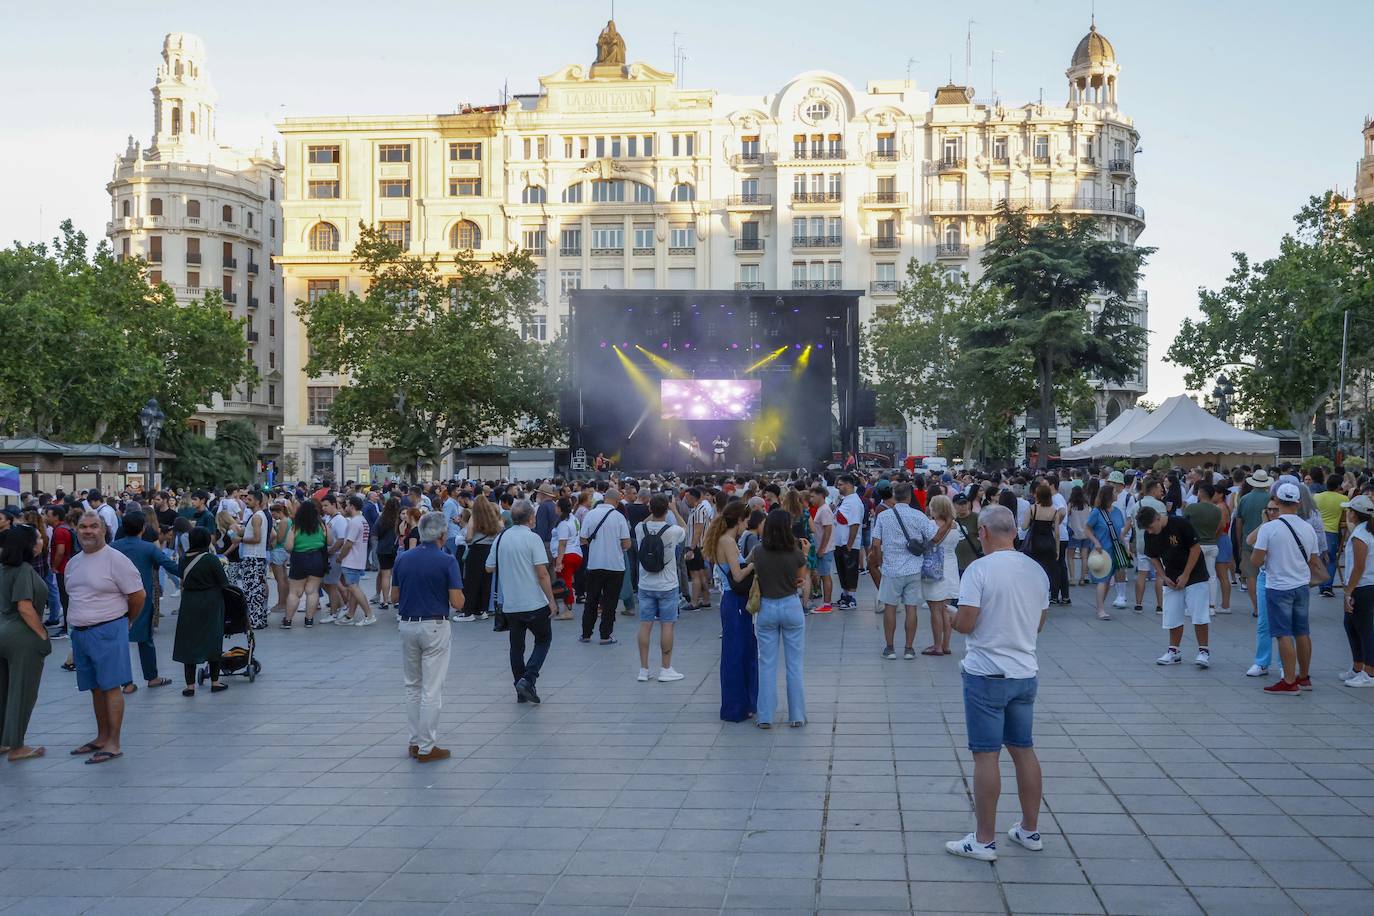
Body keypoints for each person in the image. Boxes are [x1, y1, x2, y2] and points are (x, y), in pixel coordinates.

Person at [945, 505, 1048, 862]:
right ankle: (1029, 829)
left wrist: (951, 616)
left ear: (984, 532)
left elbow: (967, 623)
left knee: (986, 755)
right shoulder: (1036, 570)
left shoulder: (979, 570)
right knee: (1023, 750)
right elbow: (1039, 623)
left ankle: (984, 840)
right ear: (1015, 532)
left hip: (986, 674)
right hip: (1024, 671)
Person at [66, 511, 146, 764]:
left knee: (111, 687)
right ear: (76, 530)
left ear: (104, 530)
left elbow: (138, 596)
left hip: (109, 629)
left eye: (94, 526)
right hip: (80, 633)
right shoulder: (73, 563)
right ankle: (101, 737)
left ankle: (114, 742)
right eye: (83, 527)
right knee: (95, 688)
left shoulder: (116, 560)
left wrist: (124, 621)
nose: (88, 531)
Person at [391, 511, 463, 762]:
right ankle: (427, 745)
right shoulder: (447, 561)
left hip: (407, 623)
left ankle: (414, 740)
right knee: (431, 688)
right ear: (443, 535)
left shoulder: (403, 558)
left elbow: (393, 597)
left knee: (412, 685)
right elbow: (457, 601)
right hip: (434, 624)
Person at [1252, 481, 1323, 695]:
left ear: (1278, 502)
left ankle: (1289, 681)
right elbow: (1313, 559)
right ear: (1298, 502)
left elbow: (1256, 560)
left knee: (1283, 634)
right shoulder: (1307, 527)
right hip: (1301, 585)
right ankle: (1304, 677)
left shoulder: (1269, 528)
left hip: (1278, 586)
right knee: (1302, 632)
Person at [486, 500, 558, 703]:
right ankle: (528, 678)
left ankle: (520, 687)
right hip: (534, 601)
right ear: (530, 518)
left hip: (511, 603)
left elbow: (489, 567)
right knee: (543, 639)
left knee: (516, 647)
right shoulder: (532, 538)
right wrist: (551, 600)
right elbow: (542, 573)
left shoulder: (501, 539)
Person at [748, 508, 809, 728]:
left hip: (766, 607)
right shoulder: (795, 552)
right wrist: (806, 553)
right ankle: (797, 715)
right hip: (791, 605)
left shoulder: (758, 551)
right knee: (794, 665)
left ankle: (765, 716)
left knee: (766, 664)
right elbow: (800, 581)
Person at [110, 511, 181, 692]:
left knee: (120, 641)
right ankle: (152, 677)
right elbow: (170, 565)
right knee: (145, 640)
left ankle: (126, 682)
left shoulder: (112, 548)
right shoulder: (149, 548)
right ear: (143, 528)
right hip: (142, 599)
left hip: (116, 600)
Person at [870, 482, 941, 660]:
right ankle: (909, 648)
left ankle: (890, 648)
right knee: (911, 609)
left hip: (891, 568)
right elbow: (934, 537)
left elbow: (876, 543)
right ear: (909, 497)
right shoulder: (918, 516)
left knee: (890, 608)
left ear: (894, 495)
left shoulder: (884, 516)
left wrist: (879, 560)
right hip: (913, 568)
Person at [0, 526, 52, 761]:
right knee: (23, 691)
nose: (42, 540)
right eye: (39, 537)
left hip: (3, 630)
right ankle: (17, 746)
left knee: (3, 691)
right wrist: (42, 634)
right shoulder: (24, 570)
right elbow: (24, 606)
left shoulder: (3, 568)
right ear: (30, 545)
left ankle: (3, 741)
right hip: (21, 635)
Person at [703, 501, 757, 722]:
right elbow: (737, 575)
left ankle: (740, 704)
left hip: (732, 602)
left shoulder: (724, 539)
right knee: (738, 653)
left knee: (738, 651)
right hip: (736, 603)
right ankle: (737, 706)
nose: (746, 525)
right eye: (745, 520)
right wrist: (754, 563)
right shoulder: (728, 541)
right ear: (739, 520)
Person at [1139, 506, 1212, 668]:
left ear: (1158, 518)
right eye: (1147, 529)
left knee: (1199, 614)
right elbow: (1153, 557)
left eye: (1151, 527)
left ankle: (1203, 651)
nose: (1150, 532)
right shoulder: (1149, 534)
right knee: (1172, 615)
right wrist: (1163, 576)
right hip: (1171, 576)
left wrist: (1186, 574)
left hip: (1196, 575)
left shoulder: (1180, 524)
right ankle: (1174, 651)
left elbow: (1195, 549)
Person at [634, 493, 687, 682]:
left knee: (645, 625)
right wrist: (673, 509)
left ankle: (643, 669)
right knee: (667, 625)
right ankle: (665, 668)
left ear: (650, 509)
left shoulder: (640, 529)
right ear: (666, 509)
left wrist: (654, 510)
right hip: (667, 584)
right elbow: (684, 527)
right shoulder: (673, 531)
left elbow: (644, 522)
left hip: (645, 584)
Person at [173, 528, 229, 696]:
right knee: (213, 640)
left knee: (189, 643)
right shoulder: (211, 559)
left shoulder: (183, 560)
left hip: (189, 602)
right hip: (211, 602)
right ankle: (215, 681)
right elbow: (223, 582)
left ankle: (190, 686)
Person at [578, 488, 632, 644]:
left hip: (595, 564)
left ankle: (586, 633)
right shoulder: (619, 517)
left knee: (591, 600)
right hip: (615, 565)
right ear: (616, 501)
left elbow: (583, 538)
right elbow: (626, 543)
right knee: (610, 602)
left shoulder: (590, 514)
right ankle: (605, 635)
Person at [1339, 494, 1374, 687]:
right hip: (1365, 584)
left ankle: (1369, 672)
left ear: (1354, 514)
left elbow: (1359, 566)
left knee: (1364, 629)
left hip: (1363, 586)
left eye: (1349, 510)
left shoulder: (1361, 535)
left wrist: (1348, 591)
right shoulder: (1364, 531)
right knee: (1351, 625)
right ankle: (1358, 666)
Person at [283, 500, 330, 628]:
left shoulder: (295, 527)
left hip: (299, 559)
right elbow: (329, 541)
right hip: (317, 558)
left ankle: (288, 621)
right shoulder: (321, 525)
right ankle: (309, 620)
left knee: (294, 592)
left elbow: (288, 546)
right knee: (312, 591)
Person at [925, 495, 962, 656]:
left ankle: (937, 645)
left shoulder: (931, 525)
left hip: (935, 567)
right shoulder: (956, 526)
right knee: (945, 609)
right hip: (951, 566)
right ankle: (946, 644)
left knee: (935, 610)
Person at [334, 495, 376, 626]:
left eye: (346, 505)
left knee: (353, 587)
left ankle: (369, 614)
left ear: (352, 506)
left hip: (351, 559)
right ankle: (350, 615)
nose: (345, 507)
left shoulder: (354, 522)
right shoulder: (362, 520)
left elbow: (348, 544)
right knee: (354, 588)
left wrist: (340, 557)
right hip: (359, 558)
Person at [459, 495, 500, 622]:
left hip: (476, 550)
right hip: (489, 550)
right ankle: (481, 610)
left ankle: (468, 612)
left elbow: (469, 536)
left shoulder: (474, 517)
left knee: (471, 581)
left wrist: (465, 538)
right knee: (485, 581)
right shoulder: (492, 517)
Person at [1130, 476, 1167, 614]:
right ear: (1153, 490)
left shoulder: (1136, 505)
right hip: (1158, 544)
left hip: (1141, 544)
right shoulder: (1160, 505)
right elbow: (1163, 524)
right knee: (1159, 574)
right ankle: (1160, 605)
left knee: (1142, 573)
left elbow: (1135, 526)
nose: (1161, 491)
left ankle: (1138, 604)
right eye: (1159, 489)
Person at [234, 490, 270, 629]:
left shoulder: (256, 517)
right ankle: (258, 619)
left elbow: (256, 538)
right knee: (256, 589)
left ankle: (255, 621)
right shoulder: (259, 516)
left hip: (253, 558)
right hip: (256, 557)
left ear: (258, 502)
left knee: (252, 590)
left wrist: (240, 539)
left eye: (249, 499)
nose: (246, 501)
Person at [1022, 485, 1063, 607]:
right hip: (1049, 543)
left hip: (1034, 543)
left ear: (1037, 495)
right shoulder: (1054, 511)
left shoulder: (1032, 508)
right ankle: (1047, 595)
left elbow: (1024, 526)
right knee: (1048, 571)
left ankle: (1034, 596)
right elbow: (1057, 532)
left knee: (1033, 571)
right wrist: (1057, 549)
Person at [833, 474, 864, 610]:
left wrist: (850, 544)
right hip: (840, 543)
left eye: (840, 484)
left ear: (849, 485)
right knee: (843, 570)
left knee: (850, 570)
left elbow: (855, 524)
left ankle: (851, 597)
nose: (838, 487)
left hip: (848, 543)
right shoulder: (846, 500)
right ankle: (845, 594)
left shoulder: (854, 502)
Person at [1314, 474, 1347, 598]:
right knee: (1332, 559)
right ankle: (1328, 586)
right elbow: (1345, 516)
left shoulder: (1317, 496)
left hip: (1317, 531)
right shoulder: (1343, 499)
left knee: (1319, 559)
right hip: (1332, 532)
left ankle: (1321, 586)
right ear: (1339, 485)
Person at [550, 496, 582, 621]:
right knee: (566, 581)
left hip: (566, 555)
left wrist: (559, 561)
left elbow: (562, 543)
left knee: (566, 582)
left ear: (560, 508)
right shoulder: (573, 519)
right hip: (575, 553)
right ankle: (564, 608)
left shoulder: (563, 524)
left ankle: (568, 610)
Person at [683, 487, 715, 609]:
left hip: (696, 546)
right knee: (701, 574)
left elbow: (698, 531)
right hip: (700, 546)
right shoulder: (699, 509)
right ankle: (705, 599)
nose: (686, 500)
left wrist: (691, 548)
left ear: (692, 497)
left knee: (695, 575)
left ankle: (695, 602)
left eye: (687, 497)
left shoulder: (698, 511)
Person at [809, 486, 837, 612]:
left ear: (821, 495)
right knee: (824, 575)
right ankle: (826, 603)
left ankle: (827, 604)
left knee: (825, 576)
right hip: (823, 547)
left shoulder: (824, 510)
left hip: (825, 549)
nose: (811, 499)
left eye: (813, 496)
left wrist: (822, 548)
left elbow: (828, 530)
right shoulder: (821, 509)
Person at [372, 497, 400, 612]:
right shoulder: (399, 519)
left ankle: (384, 601)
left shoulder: (382, 518)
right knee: (396, 575)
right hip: (396, 548)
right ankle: (395, 599)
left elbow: (375, 533)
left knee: (385, 575)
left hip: (383, 549)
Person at [267, 501, 291, 616]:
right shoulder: (289, 520)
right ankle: (285, 602)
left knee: (280, 579)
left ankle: (281, 603)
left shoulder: (283, 522)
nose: (273, 516)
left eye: (274, 514)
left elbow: (280, 538)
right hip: (285, 551)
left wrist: (271, 543)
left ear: (280, 512)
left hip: (278, 550)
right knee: (284, 578)